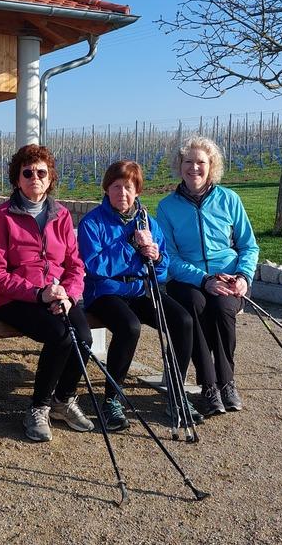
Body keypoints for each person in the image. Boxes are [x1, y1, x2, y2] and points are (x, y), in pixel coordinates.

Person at [77, 160, 202, 430]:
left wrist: (154, 257)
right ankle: (112, 399)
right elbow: (94, 266)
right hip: (106, 292)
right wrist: (130, 247)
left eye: (128, 187)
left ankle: (176, 391)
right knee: (129, 326)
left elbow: (162, 266)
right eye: (116, 186)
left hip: (140, 289)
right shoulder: (92, 222)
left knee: (182, 321)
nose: (122, 193)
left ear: (138, 191)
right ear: (106, 189)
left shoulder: (147, 221)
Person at [0, 144, 95, 443]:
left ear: (50, 178)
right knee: (60, 336)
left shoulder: (61, 216)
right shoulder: (3, 216)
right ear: (17, 178)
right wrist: (37, 294)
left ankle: (64, 399)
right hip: (17, 299)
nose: (35, 177)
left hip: (58, 295)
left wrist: (68, 295)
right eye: (28, 172)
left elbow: (75, 264)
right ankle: (38, 407)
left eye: (41, 172)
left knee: (83, 338)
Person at [156, 136, 259, 417]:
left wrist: (243, 277)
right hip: (187, 280)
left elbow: (249, 245)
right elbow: (170, 258)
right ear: (179, 166)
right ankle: (209, 385)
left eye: (200, 162)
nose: (194, 168)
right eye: (187, 162)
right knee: (195, 306)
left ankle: (228, 382)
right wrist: (203, 280)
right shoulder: (167, 207)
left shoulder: (230, 200)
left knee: (223, 309)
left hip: (227, 277)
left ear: (211, 165)